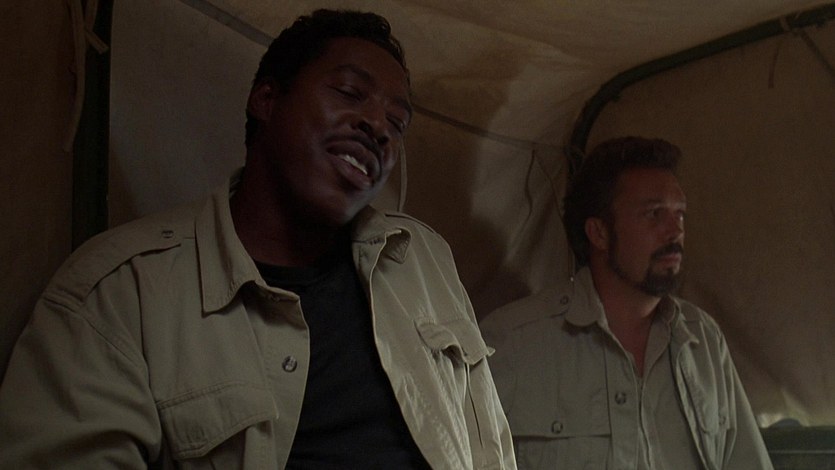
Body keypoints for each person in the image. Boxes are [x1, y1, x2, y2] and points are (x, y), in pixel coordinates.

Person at [0, 9, 515, 469]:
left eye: (397, 123)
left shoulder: (421, 257)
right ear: (267, 99)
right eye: (349, 92)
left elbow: (489, 448)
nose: (379, 126)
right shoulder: (121, 291)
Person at [480, 137, 772, 469]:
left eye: (680, 214)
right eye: (654, 214)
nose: (674, 231)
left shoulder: (702, 339)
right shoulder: (512, 343)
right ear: (599, 233)